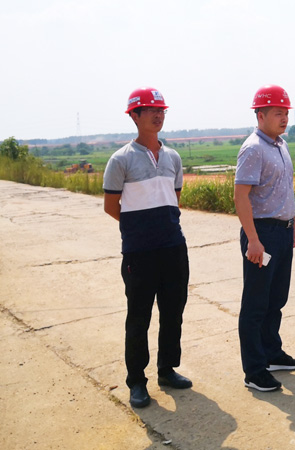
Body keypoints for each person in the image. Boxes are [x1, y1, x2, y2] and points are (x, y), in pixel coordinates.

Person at [103, 87, 193, 409]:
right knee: (139, 317)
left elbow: (174, 199)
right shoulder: (121, 159)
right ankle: (137, 382)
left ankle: (167, 370)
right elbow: (111, 206)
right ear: (134, 116)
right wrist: (139, 228)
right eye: (151, 110)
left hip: (173, 248)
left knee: (173, 312)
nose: (158, 115)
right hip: (139, 253)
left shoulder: (173, 158)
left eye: (161, 110)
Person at [234, 85, 295, 392]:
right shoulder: (253, 148)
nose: (284, 118)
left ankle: (272, 353)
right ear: (260, 115)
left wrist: (293, 224)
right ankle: (254, 370)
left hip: (283, 231)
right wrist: (253, 240)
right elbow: (241, 197)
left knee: (276, 299)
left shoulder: (280, 145)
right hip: (261, 233)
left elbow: (284, 190)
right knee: (255, 304)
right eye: (278, 113)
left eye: (286, 112)